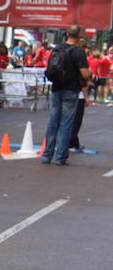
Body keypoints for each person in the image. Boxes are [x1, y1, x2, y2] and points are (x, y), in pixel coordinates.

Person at [42, 26, 91, 165]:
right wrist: (89, 73)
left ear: (67, 34)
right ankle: (61, 157)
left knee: (53, 122)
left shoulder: (57, 48)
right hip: (71, 90)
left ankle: (47, 155)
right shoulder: (79, 51)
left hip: (56, 88)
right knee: (66, 124)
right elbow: (85, 74)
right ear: (79, 35)